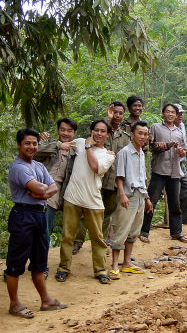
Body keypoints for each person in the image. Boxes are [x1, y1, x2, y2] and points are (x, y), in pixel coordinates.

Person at [6, 129, 67, 319]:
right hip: (23, 215)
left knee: (40, 262)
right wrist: (43, 190)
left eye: (34, 143)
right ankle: (14, 304)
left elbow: (53, 187)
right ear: (19, 145)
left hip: (39, 215)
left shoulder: (39, 166)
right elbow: (41, 187)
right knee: (15, 264)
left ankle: (46, 300)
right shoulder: (18, 167)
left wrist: (42, 193)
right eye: (27, 143)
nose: (31, 147)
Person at [56, 120, 116, 284]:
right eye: (96, 130)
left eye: (102, 131)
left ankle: (101, 270)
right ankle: (63, 268)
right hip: (72, 198)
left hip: (93, 201)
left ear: (107, 134)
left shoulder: (108, 155)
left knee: (97, 238)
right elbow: (63, 143)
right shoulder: (80, 142)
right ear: (91, 131)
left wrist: (89, 148)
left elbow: (96, 168)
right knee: (67, 236)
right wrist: (47, 139)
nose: (98, 133)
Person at [72, 102, 131, 254]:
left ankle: (101, 242)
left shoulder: (125, 137)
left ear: (124, 115)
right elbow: (94, 135)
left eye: (120, 113)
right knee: (87, 210)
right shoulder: (104, 130)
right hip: (97, 178)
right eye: (115, 112)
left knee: (106, 213)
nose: (117, 115)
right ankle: (77, 241)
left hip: (114, 181)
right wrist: (108, 117)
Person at [109, 121, 153, 280]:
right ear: (132, 134)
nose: (143, 137)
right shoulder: (124, 152)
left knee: (134, 230)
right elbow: (119, 176)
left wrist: (147, 198)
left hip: (140, 196)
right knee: (122, 229)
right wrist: (122, 195)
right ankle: (114, 265)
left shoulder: (141, 153)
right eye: (140, 133)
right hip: (128, 195)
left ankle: (127, 262)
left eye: (145, 134)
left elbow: (142, 178)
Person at [139, 103, 187, 243]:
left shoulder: (179, 131)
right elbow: (148, 146)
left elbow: (184, 151)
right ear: (163, 113)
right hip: (159, 170)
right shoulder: (155, 127)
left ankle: (176, 232)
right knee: (151, 201)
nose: (170, 114)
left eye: (173, 112)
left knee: (175, 203)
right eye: (168, 111)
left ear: (176, 115)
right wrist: (160, 146)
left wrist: (181, 152)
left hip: (175, 171)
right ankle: (144, 231)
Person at [34, 118, 77, 250]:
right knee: (29, 229)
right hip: (35, 191)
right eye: (62, 130)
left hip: (53, 196)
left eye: (69, 131)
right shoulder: (49, 143)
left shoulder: (75, 152)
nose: (65, 133)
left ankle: (41, 266)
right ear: (58, 130)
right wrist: (58, 145)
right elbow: (36, 150)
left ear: (74, 133)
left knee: (46, 230)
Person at [174, 104, 187, 226]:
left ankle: (184, 218)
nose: (181, 115)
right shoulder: (166, 127)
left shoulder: (182, 126)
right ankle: (171, 219)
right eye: (179, 113)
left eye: (182, 113)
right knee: (174, 192)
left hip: (181, 162)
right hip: (170, 164)